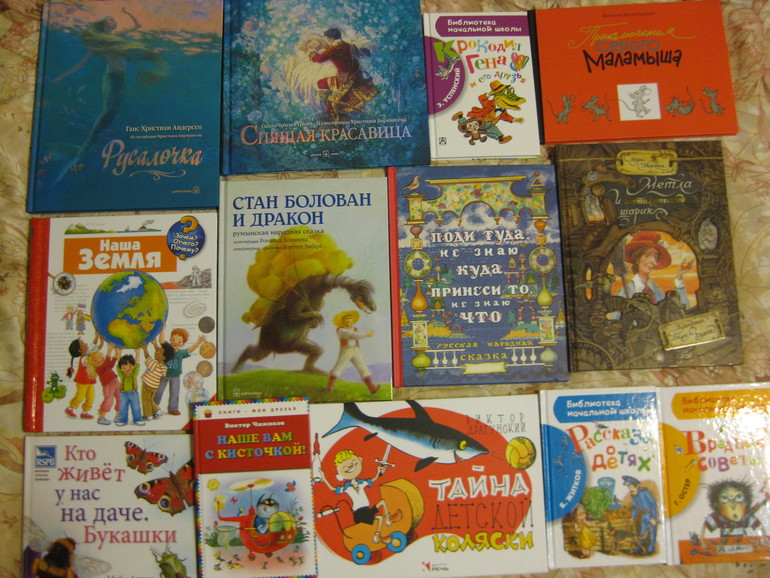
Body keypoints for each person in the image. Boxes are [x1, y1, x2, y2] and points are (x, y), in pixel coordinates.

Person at [53, 8, 166, 180]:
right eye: (111, 20)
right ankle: (83, 149)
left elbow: (138, 25)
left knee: (111, 114)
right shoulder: (99, 43)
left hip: (120, 79)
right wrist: (62, 77)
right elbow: (82, 63)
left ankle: (85, 147)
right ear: (104, 24)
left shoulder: (117, 36)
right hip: (112, 78)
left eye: (114, 19)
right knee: (107, 113)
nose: (115, 22)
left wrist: (128, 13)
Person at [316, 449, 399, 544]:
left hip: (367, 510)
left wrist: (378, 471)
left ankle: (388, 518)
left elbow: (373, 479)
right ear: (339, 474)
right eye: (344, 466)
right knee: (379, 518)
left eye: (353, 461)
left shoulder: (361, 483)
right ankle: (377, 537)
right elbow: (332, 488)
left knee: (382, 502)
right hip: (359, 514)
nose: (350, 466)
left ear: (360, 460)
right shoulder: (347, 488)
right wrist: (324, 478)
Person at [307, 27, 377, 120]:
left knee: (320, 83)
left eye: (326, 39)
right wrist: (369, 49)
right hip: (357, 76)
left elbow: (319, 59)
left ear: (330, 39)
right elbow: (361, 52)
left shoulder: (334, 50)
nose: (327, 41)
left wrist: (312, 52)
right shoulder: (351, 46)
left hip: (344, 80)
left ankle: (331, 108)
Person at [616, 231, 693, 307]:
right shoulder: (624, 293)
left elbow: (682, 310)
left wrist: (679, 277)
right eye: (648, 255)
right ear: (636, 259)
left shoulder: (657, 292)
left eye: (655, 257)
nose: (653, 262)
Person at [154, 327, 205, 416]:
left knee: (175, 393)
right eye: (173, 340)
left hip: (175, 376)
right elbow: (161, 340)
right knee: (159, 391)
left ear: (183, 343)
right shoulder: (167, 349)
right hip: (164, 374)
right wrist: (162, 329)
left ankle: (173, 408)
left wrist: (198, 343)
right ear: (170, 340)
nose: (175, 342)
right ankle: (153, 407)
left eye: (179, 341)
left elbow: (190, 350)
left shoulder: (181, 353)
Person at [326, 310, 378, 394]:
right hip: (346, 350)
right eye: (346, 319)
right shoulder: (341, 330)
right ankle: (330, 387)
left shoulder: (354, 329)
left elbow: (355, 335)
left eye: (350, 318)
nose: (348, 320)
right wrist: (367, 334)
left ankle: (372, 389)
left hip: (355, 350)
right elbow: (352, 335)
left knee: (363, 368)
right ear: (343, 321)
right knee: (338, 367)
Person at [622, 475, 658, 556]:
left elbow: (653, 503)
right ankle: (639, 547)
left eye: (631, 486)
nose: (629, 488)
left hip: (650, 514)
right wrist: (633, 517)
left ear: (635, 485)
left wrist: (653, 517)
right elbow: (635, 507)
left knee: (652, 532)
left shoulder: (644, 491)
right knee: (642, 532)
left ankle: (650, 549)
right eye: (628, 487)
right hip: (644, 515)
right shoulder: (633, 494)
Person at [115, 353, 144, 427]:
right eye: (124, 367)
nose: (127, 369)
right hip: (123, 394)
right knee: (123, 407)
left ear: (134, 366)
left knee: (136, 407)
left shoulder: (134, 374)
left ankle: (137, 419)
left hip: (133, 393)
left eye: (130, 366)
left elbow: (137, 364)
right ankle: (122, 420)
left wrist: (137, 352)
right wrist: (118, 353)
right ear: (121, 368)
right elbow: (118, 364)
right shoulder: (122, 375)